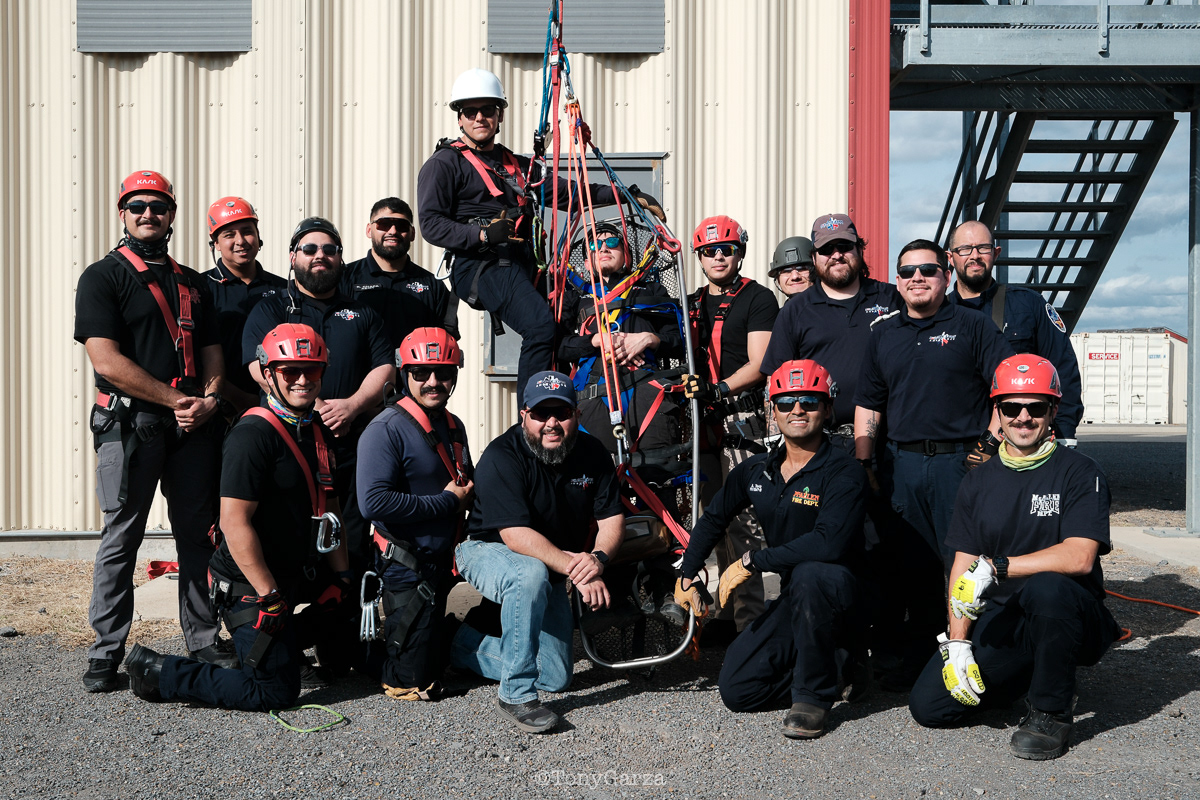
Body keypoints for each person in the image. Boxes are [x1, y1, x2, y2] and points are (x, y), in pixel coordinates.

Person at [124, 324, 354, 711]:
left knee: (348, 608)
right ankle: (161, 672)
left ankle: (280, 646)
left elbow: (329, 507)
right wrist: (269, 596)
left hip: (295, 569)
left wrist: (344, 578)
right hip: (251, 583)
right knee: (275, 691)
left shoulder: (315, 429)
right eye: (289, 371)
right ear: (267, 375)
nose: (302, 380)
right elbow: (234, 523)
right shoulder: (253, 436)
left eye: (311, 371)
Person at [909, 355, 1120, 760]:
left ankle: (1051, 711)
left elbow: (1079, 558)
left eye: (1036, 407)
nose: (1023, 417)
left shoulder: (1080, 471)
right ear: (997, 412)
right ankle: (1033, 673)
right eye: (1011, 407)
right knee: (931, 706)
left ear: (1053, 411)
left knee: (1048, 587)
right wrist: (957, 644)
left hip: (1070, 615)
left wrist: (998, 566)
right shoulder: (978, 480)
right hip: (1007, 617)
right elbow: (962, 565)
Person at [416, 67, 664, 407]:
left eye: (487, 110)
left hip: (523, 264)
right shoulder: (445, 164)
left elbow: (569, 194)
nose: (479, 117)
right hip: (481, 265)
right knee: (539, 327)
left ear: (499, 115)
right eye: (470, 111)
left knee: (567, 320)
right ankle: (533, 410)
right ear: (459, 119)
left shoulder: (515, 166)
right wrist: (484, 234)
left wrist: (626, 195)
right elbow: (431, 224)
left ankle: (572, 393)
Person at [74, 169, 235, 692]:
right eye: (138, 206)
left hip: (192, 429)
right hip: (131, 426)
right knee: (123, 536)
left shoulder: (192, 282)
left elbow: (211, 353)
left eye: (158, 207)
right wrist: (175, 399)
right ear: (123, 214)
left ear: (171, 216)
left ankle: (204, 638)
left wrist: (209, 400)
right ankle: (105, 652)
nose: (149, 214)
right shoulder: (102, 277)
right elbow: (107, 361)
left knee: (197, 534)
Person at [677, 359, 867, 739]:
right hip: (796, 597)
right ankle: (833, 669)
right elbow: (713, 520)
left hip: (839, 593)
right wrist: (685, 574)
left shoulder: (845, 470)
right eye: (786, 402)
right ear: (771, 409)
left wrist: (750, 561)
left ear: (828, 408)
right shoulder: (755, 471)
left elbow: (827, 543)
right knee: (737, 689)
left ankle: (812, 698)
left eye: (810, 402)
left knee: (813, 571)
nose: (797, 410)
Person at [853, 239, 1014, 687]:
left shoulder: (974, 325)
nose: (917, 278)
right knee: (913, 566)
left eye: (927, 270)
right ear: (897, 281)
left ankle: (979, 656)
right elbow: (870, 400)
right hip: (901, 465)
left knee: (964, 567)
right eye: (907, 272)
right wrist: (865, 461)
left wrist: (988, 444)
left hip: (961, 463)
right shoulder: (883, 333)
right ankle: (923, 662)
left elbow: (1006, 390)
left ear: (946, 275)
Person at [759, 213, 906, 677]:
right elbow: (775, 380)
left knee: (887, 547)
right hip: (822, 449)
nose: (836, 255)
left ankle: (888, 649)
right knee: (828, 548)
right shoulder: (797, 311)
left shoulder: (889, 297)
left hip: (888, 444)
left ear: (860, 249)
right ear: (815, 256)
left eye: (844, 246)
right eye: (826, 249)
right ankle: (832, 653)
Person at [450, 371, 624, 734]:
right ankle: (515, 694)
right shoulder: (502, 455)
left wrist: (598, 559)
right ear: (523, 414)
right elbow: (515, 536)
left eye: (560, 413)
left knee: (557, 675)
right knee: (528, 574)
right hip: (486, 549)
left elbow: (611, 520)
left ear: (576, 414)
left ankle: (458, 644)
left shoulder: (593, 454)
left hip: (553, 562)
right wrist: (578, 570)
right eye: (540, 414)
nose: (551, 424)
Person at [242, 217, 394, 575]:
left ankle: (345, 615)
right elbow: (254, 364)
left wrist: (353, 406)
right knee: (287, 532)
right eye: (309, 249)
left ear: (341, 258)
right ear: (293, 256)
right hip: (289, 443)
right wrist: (314, 403)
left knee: (351, 536)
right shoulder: (271, 308)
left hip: (350, 443)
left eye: (330, 249)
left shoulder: (363, 313)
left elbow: (386, 367)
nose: (319, 255)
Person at [556, 219, 685, 623]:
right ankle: (612, 592)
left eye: (613, 242)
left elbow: (682, 338)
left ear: (627, 252)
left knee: (658, 484)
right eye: (596, 243)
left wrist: (649, 339)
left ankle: (664, 589)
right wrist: (593, 341)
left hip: (648, 403)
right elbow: (554, 343)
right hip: (593, 404)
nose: (605, 247)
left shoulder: (651, 293)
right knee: (603, 491)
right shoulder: (573, 300)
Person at [357, 327, 474, 701]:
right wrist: (446, 503)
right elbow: (373, 503)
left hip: (446, 562)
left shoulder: (454, 427)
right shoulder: (385, 429)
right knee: (410, 680)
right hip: (406, 565)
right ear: (404, 373)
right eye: (421, 372)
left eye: (443, 373)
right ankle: (353, 650)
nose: (433, 381)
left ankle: (439, 638)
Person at [683, 215, 779, 635]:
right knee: (711, 518)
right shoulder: (690, 303)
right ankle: (724, 609)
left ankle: (750, 620)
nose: (718, 257)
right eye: (709, 251)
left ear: (740, 252)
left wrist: (717, 389)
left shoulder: (758, 298)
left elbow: (760, 363)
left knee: (742, 521)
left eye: (726, 249)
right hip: (699, 421)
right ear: (700, 257)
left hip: (738, 416)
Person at [945, 220, 1084, 446]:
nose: (975, 255)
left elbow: (1062, 370)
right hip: (953, 445)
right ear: (951, 258)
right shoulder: (938, 314)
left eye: (983, 248)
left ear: (996, 253)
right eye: (964, 249)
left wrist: (1063, 434)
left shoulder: (1029, 305)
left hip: (1018, 442)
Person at [202, 196, 287, 415]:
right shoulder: (201, 288)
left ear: (258, 237)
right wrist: (236, 398)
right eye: (229, 235)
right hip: (219, 408)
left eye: (247, 231)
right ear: (216, 244)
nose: (241, 240)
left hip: (278, 403)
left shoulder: (283, 289)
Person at [341, 197, 460, 347]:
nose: (393, 231)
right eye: (383, 224)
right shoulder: (345, 278)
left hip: (413, 370)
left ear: (412, 233)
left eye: (402, 225)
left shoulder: (433, 285)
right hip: (363, 371)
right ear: (369, 230)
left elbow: (446, 342)